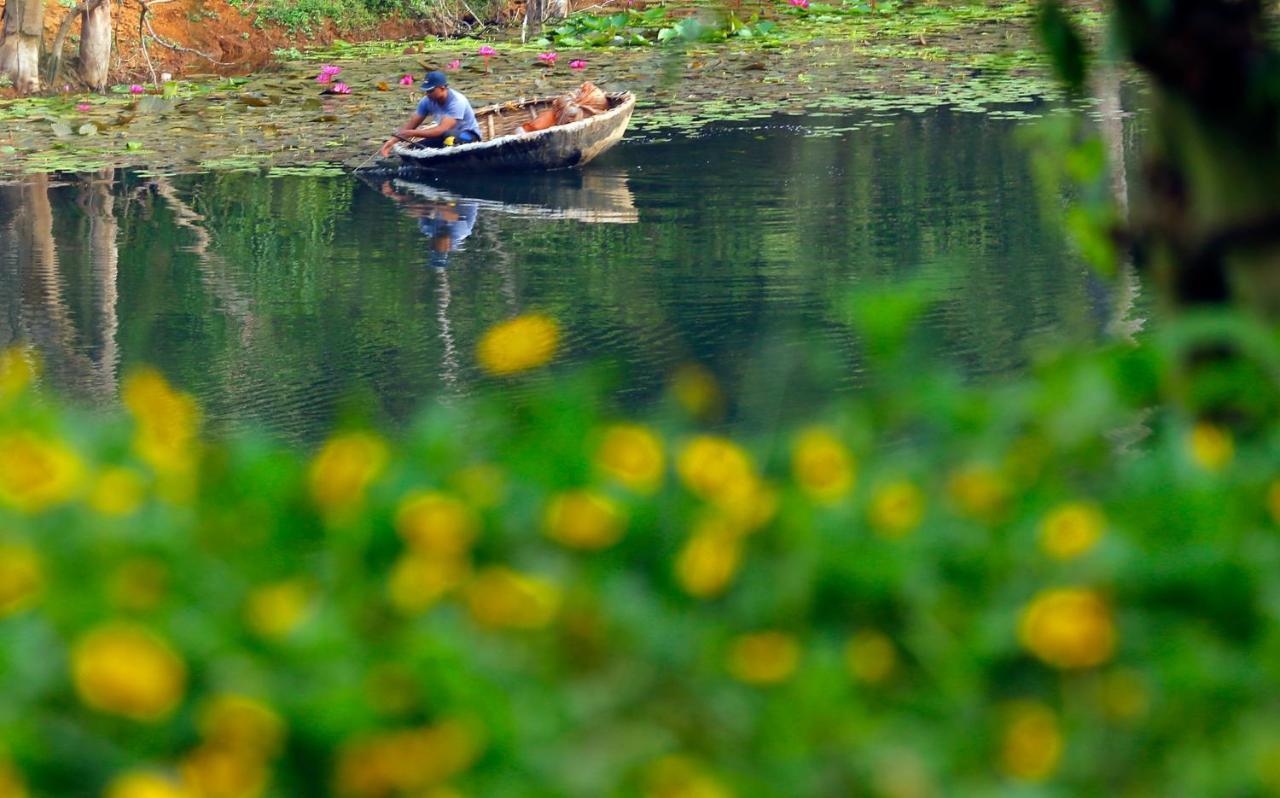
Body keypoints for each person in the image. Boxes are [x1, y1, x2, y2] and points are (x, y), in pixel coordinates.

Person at [381, 71, 483, 157]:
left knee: (449, 137)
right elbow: (411, 125)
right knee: (413, 148)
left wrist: (412, 133)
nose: (427, 94)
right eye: (426, 91)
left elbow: (442, 129)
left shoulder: (456, 101)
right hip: (445, 137)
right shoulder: (426, 101)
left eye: (431, 90)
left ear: (442, 88)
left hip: (469, 136)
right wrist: (392, 141)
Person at [518, 81, 609, 134]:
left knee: (570, 111)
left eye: (583, 89)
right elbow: (565, 99)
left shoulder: (594, 97)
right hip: (562, 114)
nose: (581, 88)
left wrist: (571, 104)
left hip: (580, 114)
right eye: (581, 89)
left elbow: (596, 109)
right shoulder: (577, 95)